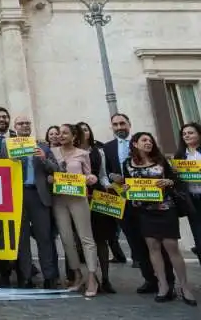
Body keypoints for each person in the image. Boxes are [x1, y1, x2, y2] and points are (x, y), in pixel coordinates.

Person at [119, 132, 196, 307]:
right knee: (153, 248)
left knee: (171, 248)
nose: (148, 143)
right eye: (144, 140)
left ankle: (185, 286)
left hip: (165, 208)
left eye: (150, 140)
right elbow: (127, 187)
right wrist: (124, 189)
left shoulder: (161, 161)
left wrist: (168, 182)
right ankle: (163, 285)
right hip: (144, 212)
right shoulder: (127, 164)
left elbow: (175, 181)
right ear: (135, 144)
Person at [104, 113, 174, 293]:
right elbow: (106, 173)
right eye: (115, 124)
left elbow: (165, 171)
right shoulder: (108, 147)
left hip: (152, 203)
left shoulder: (145, 143)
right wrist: (113, 179)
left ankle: (168, 281)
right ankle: (150, 279)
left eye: (122, 123)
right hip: (124, 201)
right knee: (136, 243)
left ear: (129, 124)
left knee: (157, 242)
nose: (119, 127)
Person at [11, 116, 60, 290]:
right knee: (21, 239)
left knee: (44, 238)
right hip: (17, 197)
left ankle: (49, 276)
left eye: (27, 123)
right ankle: (25, 276)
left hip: (39, 196)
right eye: (20, 124)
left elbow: (57, 169)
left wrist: (43, 159)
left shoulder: (44, 147)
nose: (24, 126)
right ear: (15, 127)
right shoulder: (8, 147)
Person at [50, 124, 99, 297]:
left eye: (65, 133)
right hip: (59, 200)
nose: (61, 136)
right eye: (59, 133)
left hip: (78, 198)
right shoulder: (52, 152)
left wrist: (91, 178)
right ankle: (77, 275)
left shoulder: (83, 154)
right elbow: (48, 171)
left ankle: (92, 277)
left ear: (73, 136)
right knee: (66, 239)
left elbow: (88, 175)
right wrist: (49, 178)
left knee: (86, 238)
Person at [76, 121, 117, 293]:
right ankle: (92, 277)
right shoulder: (73, 152)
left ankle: (106, 277)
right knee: (85, 239)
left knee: (101, 239)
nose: (84, 132)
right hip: (79, 196)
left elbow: (103, 176)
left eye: (86, 129)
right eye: (80, 130)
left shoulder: (99, 151)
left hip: (98, 196)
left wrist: (110, 187)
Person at [175, 122, 201, 263]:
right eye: (184, 134)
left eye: (190, 133)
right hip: (192, 201)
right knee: (199, 239)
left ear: (199, 134)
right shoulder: (180, 155)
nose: (187, 136)